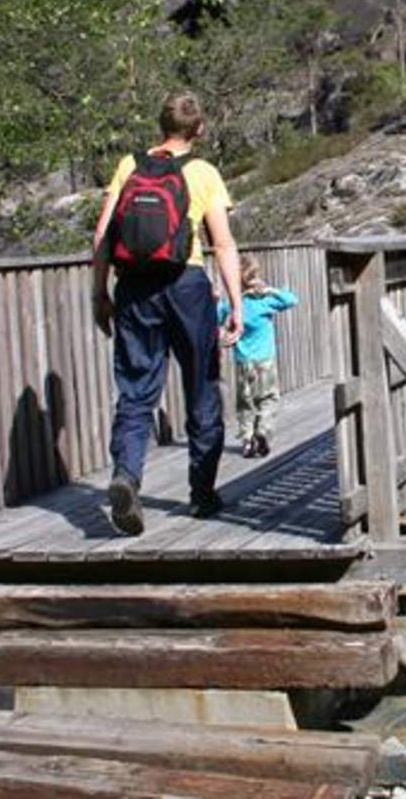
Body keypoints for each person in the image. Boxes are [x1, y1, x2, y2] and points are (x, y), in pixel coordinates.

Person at [91, 92, 242, 532]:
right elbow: (223, 242)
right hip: (187, 286)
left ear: (160, 126)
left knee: (136, 390)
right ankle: (202, 493)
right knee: (201, 387)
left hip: (135, 288)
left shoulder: (129, 165)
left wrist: (99, 293)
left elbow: (103, 234)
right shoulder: (203, 172)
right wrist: (237, 303)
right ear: (199, 130)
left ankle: (126, 476)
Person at [217, 257, 299, 459]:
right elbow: (291, 300)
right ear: (254, 277)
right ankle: (262, 431)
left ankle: (247, 442)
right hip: (265, 361)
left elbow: (214, 317)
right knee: (268, 399)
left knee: (246, 403)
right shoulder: (265, 302)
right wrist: (270, 290)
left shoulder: (233, 306)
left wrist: (222, 331)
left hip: (243, 362)